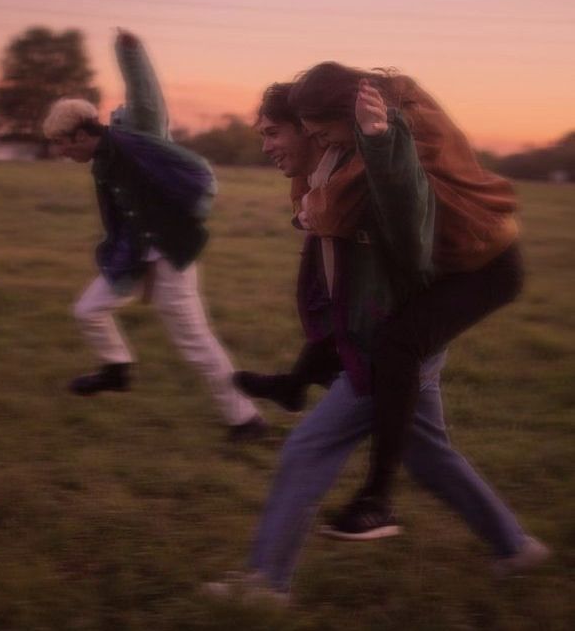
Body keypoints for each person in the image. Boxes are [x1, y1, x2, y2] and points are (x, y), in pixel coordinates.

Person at [203, 78, 548, 603]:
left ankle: (266, 583)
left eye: (274, 133)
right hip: (401, 329)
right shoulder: (323, 177)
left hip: (398, 335)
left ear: (314, 132)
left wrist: (349, 356)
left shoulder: (363, 180)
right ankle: (515, 547)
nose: (266, 145)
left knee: (307, 448)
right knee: (426, 451)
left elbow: (405, 224)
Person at [42, 30, 265, 441]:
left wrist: (130, 52)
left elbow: (146, 98)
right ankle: (117, 370)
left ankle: (245, 419)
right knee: (87, 309)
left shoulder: (134, 138)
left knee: (195, 342)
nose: (59, 151)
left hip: (168, 255)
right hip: (135, 254)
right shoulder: (104, 158)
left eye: (60, 143)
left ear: (78, 134)